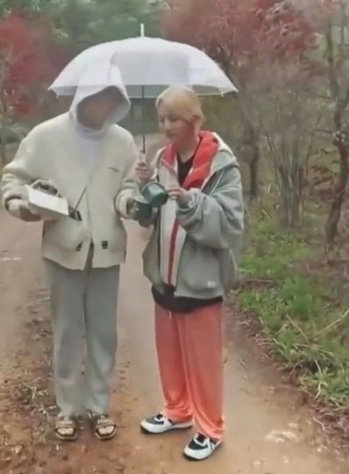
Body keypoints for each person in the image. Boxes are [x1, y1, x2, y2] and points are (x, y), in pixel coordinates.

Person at [0, 65, 138, 442]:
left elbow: (127, 188)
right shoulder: (46, 136)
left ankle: (98, 406)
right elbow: (14, 178)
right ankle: (68, 408)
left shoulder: (123, 141)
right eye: (100, 100)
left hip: (107, 252)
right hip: (63, 250)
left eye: (113, 102)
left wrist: (129, 203)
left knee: (103, 333)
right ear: (85, 97)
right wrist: (21, 206)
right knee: (67, 331)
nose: (105, 109)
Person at [131, 86, 244, 461]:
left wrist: (192, 202)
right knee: (169, 352)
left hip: (201, 280)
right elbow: (147, 218)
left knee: (203, 360)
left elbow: (229, 226)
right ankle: (177, 410)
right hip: (164, 275)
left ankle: (210, 428)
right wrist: (145, 187)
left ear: (194, 121)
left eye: (174, 119)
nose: (166, 127)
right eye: (162, 119)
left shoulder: (221, 165)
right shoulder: (160, 159)